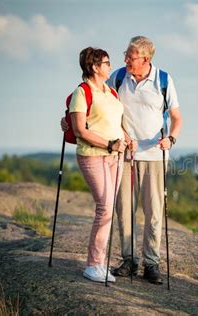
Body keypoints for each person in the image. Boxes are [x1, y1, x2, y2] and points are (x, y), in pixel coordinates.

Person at [62, 36, 183, 285]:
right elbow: (99, 113)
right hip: (123, 155)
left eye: (130, 56)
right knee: (123, 210)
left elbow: (176, 117)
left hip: (154, 155)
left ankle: (151, 263)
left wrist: (171, 138)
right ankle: (129, 260)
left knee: (153, 212)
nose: (125, 59)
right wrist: (69, 124)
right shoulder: (117, 78)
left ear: (145, 59)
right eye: (125, 54)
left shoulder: (163, 79)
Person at [68, 47, 127, 283]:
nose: (110, 66)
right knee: (105, 207)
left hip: (116, 155)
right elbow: (79, 129)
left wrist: (125, 137)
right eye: (106, 62)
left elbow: (115, 122)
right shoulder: (81, 92)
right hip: (93, 155)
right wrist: (110, 144)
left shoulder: (111, 92)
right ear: (94, 67)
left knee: (108, 209)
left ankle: (101, 263)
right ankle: (93, 265)